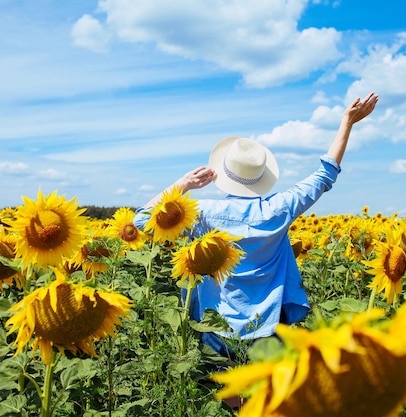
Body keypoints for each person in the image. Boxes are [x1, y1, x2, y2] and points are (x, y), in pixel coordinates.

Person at [133, 92, 379, 359]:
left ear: (224, 173)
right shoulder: (280, 208)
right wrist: (347, 122)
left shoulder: (204, 213)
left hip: (215, 322)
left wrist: (183, 184)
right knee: (265, 394)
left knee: (225, 395)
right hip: (267, 323)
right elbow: (325, 175)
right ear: (261, 176)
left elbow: (142, 220)